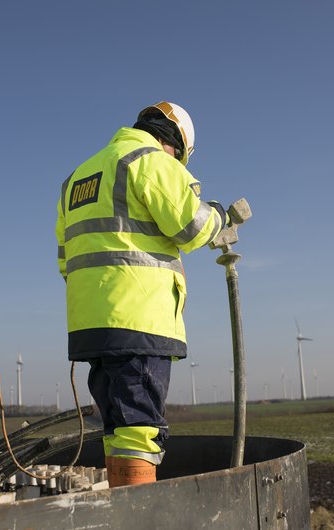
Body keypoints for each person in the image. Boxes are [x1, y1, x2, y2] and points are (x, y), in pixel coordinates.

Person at [55, 102, 228, 486]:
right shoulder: (149, 160)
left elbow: (65, 260)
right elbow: (191, 226)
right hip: (138, 318)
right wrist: (219, 214)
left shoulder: (78, 177)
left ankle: (121, 506)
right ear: (176, 147)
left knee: (117, 425)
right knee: (139, 428)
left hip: (90, 323)